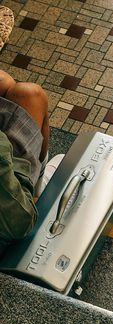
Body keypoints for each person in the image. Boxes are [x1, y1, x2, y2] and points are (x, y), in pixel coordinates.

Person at [0, 70, 53, 255]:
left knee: (3, 82)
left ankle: (34, 185)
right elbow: (20, 220)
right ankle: (33, 191)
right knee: (32, 95)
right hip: (13, 213)